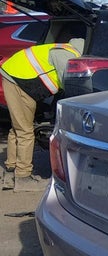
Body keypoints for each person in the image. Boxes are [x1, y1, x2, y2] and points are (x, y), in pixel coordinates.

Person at [1, 38, 83, 192]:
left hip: (12, 74)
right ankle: (23, 178)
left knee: (17, 128)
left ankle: (11, 172)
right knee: (25, 131)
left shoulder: (63, 47)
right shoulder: (67, 57)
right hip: (20, 80)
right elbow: (70, 86)